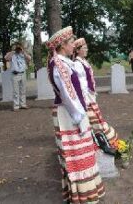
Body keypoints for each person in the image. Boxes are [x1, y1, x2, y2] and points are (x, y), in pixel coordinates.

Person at [46, 27, 105, 203]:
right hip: (69, 115)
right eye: (71, 42)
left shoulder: (63, 62)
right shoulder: (59, 65)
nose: (73, 45)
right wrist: (80, 119)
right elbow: (68, 95)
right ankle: (82, 196)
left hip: (72, 113)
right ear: (63, 45)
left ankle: (85, 193)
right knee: (75, 155)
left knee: (81, 153)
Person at [73, 37, 119, 153]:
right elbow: (81, 84)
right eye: (84, 48)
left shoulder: (84, 62)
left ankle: (103, 143)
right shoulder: (77, 64)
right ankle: (102, 144)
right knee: (94, 121)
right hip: (86, 98)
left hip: (90, 96)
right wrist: (85, 100)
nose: (86, 49)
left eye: (86, 47)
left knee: (96, 120)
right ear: (77, 50)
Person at [4, 42, 31, 111]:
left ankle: (23, 104)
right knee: (16, 91)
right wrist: (13, 51)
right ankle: (16, 106)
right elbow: (6, 58)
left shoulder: (23, 53)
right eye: (17, 47)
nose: (18, 48)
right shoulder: (12, 54)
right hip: (15, 74)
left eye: (19, 47)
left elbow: (29, 58)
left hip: (23, 73)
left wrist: (23, 50)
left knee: (23, 90)